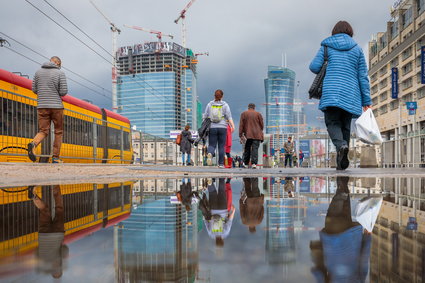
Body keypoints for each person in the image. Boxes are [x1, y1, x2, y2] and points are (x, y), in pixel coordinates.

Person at [309, 21, 371, 170]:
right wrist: (366, 100)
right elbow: (363, 76)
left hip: (331, 92)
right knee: (345, 127)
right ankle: (341, 162)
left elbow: (314, 67)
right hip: (351, 94)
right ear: (350, 32)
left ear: (334, 31)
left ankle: (342, 146)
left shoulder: (326, 46)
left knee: (332, 123)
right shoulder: (357, 49)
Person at [310, 176, 371, 282]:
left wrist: (367, 238)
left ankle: (342, 180)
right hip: (333, 243)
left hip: (351, 239)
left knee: (344, 208)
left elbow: (363, 263)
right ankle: (341, 189)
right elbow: (319, 273)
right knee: (334, 213)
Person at [28, 56, 68, 163]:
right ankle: (55, 158)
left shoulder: (37, 72)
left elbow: (34, 89)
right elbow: (63, 92)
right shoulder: (60, 73)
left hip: (42, 106)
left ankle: (33, 144)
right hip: (56, 107)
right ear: (57, 63)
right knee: (58, 132)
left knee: (43, 131)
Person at [28, 185, 69, 278]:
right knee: (43, 210)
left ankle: (55, 185)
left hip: (57, 233)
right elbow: (36, 251)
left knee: (59, 209)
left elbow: (65, 249)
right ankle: (34, 196)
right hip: (43, 235)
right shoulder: (43, 261)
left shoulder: (59, 260)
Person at [203, 90, 235, 168]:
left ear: (214, 95)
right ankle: (221, 164)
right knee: (221, 146)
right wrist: (232, 126)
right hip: (223, 127)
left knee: (212, 145)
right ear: (222, 96)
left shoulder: (210, 104)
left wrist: (204, 125)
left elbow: (205, 116)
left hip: (212, 127)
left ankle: (210, 153)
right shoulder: (225, 105)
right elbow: (229, 116)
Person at [199, 178, 235, 246]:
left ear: (222, 240)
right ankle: (210, 183)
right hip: (213, 209)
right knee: (212, 193)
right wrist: (204, 212)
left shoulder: (225, 233)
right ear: (215, 241)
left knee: (222, 191)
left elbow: (230, 220)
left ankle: (221, 179)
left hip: (223, 209)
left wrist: (233, 211)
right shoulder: (211, 234)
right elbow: (206, 221)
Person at [239, 103, 264, 169]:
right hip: (257, 135)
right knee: (255, 149)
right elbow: (262, 125)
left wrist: (240, 134)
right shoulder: (258, 114)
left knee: (247, 149)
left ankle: (246, 163)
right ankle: (254, 164)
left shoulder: (244, 114)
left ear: (248, 107)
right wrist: (259, 130)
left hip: (248, 135)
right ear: (254, 107)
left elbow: (241, 125)